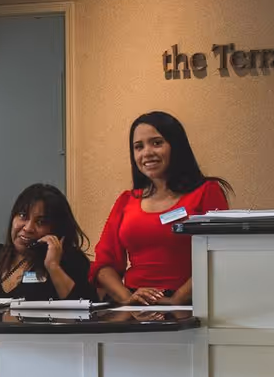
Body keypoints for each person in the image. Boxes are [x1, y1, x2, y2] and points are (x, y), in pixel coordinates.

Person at [92, 111, 230, 306]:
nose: (147, 153)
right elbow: (104, 264)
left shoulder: (206, 192)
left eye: (157, 143)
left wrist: (176, 300)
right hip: (135, 307)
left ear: (176, 146)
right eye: (138, 147)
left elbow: (219, 253)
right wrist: (128, 299)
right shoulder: (126, 200)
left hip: (191, 304)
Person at [0, 183, 93, 302]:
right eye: (23, 216)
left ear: (57, 230)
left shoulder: (71, 261)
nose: (28, 228)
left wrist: (53, 267)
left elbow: (87, 311)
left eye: (41, 222)